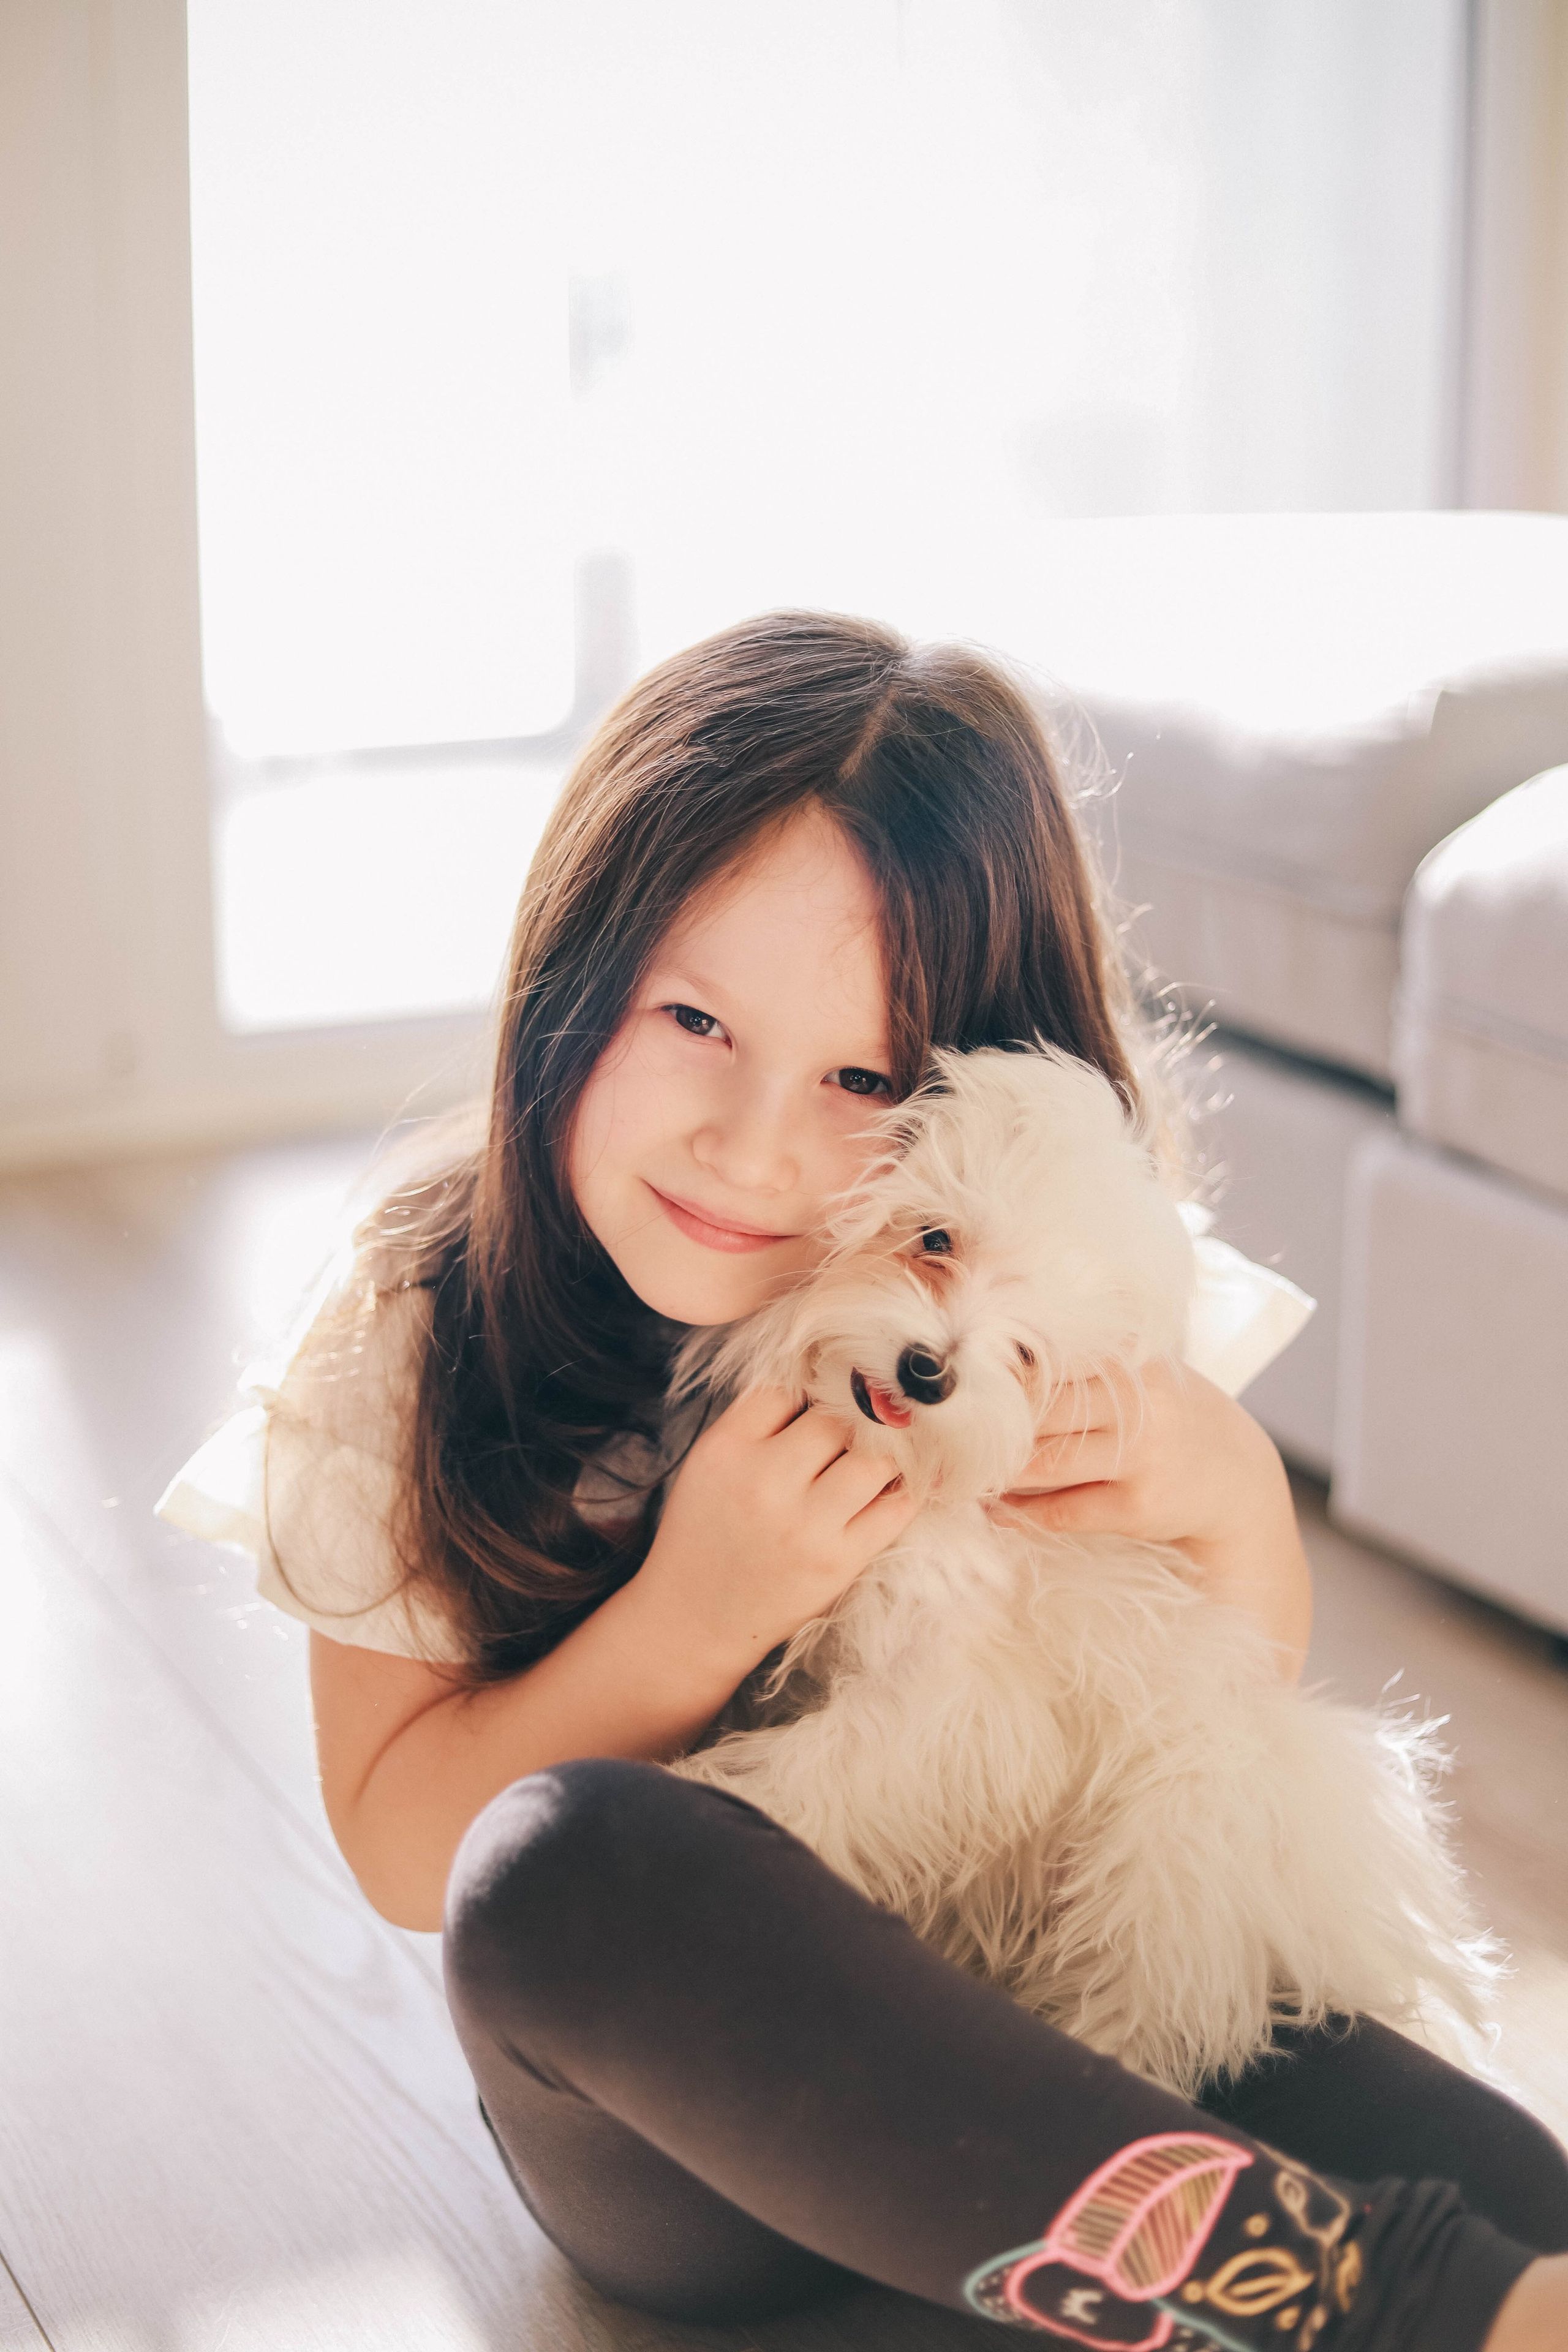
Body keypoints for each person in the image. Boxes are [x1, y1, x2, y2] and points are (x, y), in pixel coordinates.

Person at [161, 613, 1568, 2349]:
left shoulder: (1040, 1278)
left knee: (1500, 2187)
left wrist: (1229, 1492)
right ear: (567, 982)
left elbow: (1213, 1704)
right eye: (691, 1018)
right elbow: (398, 1844)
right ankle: (1383, 2313)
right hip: (716, 2150)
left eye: (863, 1079)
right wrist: (697, 1610)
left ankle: (1335, 2292)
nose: (753, 1146)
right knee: (558, 1873)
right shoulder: (411, 1325)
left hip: (1066, 2029)